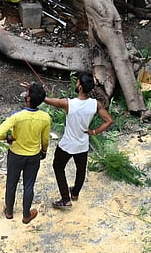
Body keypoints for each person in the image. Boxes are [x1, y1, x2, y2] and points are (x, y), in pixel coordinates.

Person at [41, 73, 113, 208]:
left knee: (58, 167)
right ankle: (74, 194)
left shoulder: (69, 103)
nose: (76, 83)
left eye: (77, 82)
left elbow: (47, 100)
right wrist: (94, 132)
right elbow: (109, 121)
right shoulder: (94, 104)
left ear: (80, 87)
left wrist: (37, 92)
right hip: (82, 144)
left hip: (67, 144)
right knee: (81, 170)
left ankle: (65, 199)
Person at [0, 82, 51, 224]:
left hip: (15, 155)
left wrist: (7, 137)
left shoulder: (17, 116)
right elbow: (45, 139)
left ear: (28, 98)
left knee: (11, 183)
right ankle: (26, 215)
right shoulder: (45, 117)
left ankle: (9, 212)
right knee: (29, 185)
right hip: (33, 156)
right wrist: (43, 151)